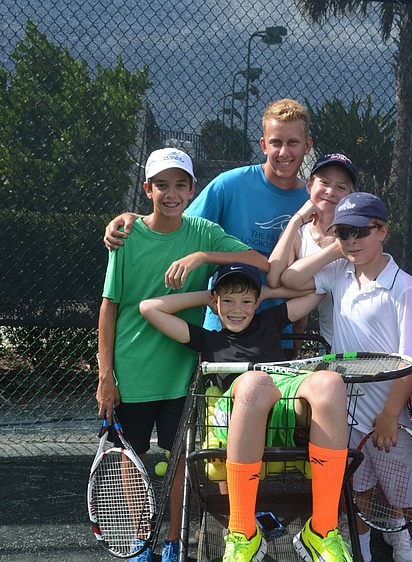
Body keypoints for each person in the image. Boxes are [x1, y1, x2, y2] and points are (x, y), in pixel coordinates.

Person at [96, 148, 268, 562]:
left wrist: (204, 256)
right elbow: (109, 308)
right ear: (147, 190)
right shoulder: (126, 236)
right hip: (130, 373)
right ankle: (140, 541)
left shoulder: (204, 232)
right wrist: (106, 375)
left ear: (192, 189)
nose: (170, 194)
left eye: (179, 185)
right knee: (130, 466)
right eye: (161, 185)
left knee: (178, 463)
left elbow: (257, 261)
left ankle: (174, 541)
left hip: (181, 374)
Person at [139, 263, 353, 562]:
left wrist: (266, 294)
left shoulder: (270, 320)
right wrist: (209, 296)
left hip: (282, 406)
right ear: (216, 302)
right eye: (228, 300)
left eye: (245, 301)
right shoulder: (208, 339)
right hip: (240, 403)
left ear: (257, 302)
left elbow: (317, 291)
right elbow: (149, 308)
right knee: (254, 383)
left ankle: (321, 530)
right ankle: (243, 532)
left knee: (330, 384)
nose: (236, 309)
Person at [280, 192, 412, 562]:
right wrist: (334, 250)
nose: (351, 240)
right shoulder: (338, 273)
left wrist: (389, 415)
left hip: (391, 417)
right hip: (347, 415)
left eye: (359, 232)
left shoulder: (404, 287)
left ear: (382, 231)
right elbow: (288, 276)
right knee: (358, 493)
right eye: (343, 233)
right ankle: (362, 553)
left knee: (409, 499)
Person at [104, 99, 313, 339]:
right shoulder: (228, 185)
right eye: (276, 142)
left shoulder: (313, 202)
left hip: (280, 332)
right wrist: (136, 219)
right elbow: (179, 223)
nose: (284, 152)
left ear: (307, 145)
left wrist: (298, 329)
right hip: (222, 333)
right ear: (264, 145)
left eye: (293, 143)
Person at [266, 153, 357, 351]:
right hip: (329, 347)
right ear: (309, 186)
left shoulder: (356, 238)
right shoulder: (299, 234)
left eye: (341, 187)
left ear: (350, 196)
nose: (331, 191)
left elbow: (299, 284)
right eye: (324, 182)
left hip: (361, 343)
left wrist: (274, 292)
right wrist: (295, 220)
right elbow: (274, 277)